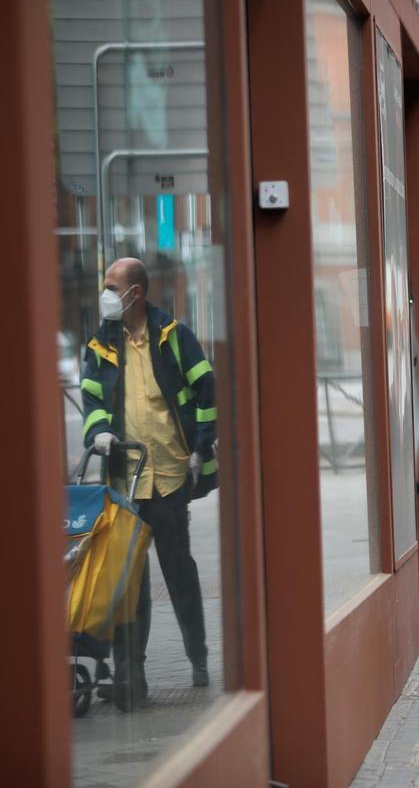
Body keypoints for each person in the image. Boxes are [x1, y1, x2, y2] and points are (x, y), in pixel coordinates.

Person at [81, 257, 218, 708]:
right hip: (127, 482)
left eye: (111, 286)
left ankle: (197, 654)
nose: (105, 294)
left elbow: (206, 389)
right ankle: (131, 673)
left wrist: (200, 447)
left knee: (179, 572)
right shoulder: (100, 345)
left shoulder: (173, 337)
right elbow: (92, 397)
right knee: (131, 581)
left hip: (170, 476)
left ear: (134, 293)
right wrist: (98, 431)